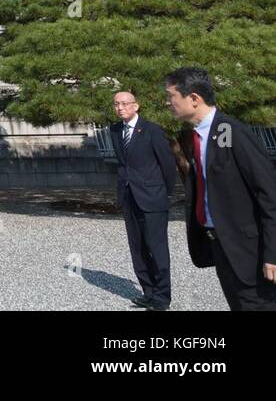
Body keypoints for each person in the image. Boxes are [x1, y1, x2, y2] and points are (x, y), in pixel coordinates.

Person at [166, 67, 276, 311]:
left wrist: (273, 254)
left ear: (194, 98)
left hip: (250, 252)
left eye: (171, 96)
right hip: (222, 246)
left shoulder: (232, 132)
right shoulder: (207, 135)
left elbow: (269, 194)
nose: (167, 102)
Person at [111, 90, 178, 310]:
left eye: (124, 103)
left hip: (152, 197)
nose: (120, 108)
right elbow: (123, 164)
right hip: (129, 197)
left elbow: (168, 165)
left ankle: (162, 297)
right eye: (116, 104)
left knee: (156, 248)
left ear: (136, 106)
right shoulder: (115, 130)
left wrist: (163, 192)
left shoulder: (152, 130)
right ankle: (148, 291)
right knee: (137, 248)